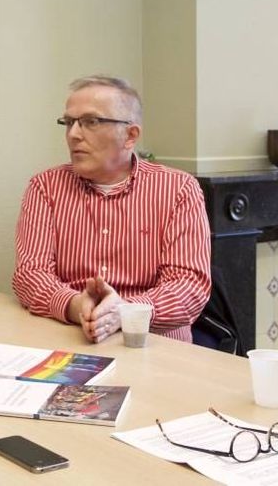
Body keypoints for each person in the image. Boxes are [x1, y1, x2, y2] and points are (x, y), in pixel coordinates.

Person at [12, 76, 211, 344]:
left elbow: (189, 287)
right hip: (70, 336)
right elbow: (30, 275)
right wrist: (75, 304)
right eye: (69, 122)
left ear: (130, 136)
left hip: (153, 344)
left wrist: (124, 311)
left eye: (91, 122)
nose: (73, 134)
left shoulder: (178, 189)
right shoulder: (45, 187)